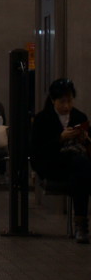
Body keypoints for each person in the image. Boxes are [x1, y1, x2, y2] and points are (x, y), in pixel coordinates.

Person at [30, 78, 91, 244]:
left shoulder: (79, 116)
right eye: (62, 101)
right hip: (53, 163)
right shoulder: (42, 119)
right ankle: (81, 225)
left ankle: (81, 225)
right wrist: (60, 139)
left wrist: (85, 139)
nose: (66, 106)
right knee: (82, 169)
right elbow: (37, 151)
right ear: (53, 101)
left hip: (77, 164)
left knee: (80, 168)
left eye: (69, 101)